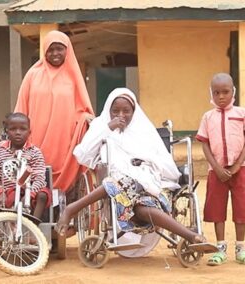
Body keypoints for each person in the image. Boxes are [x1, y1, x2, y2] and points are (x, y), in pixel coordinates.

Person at [55, 88, 215, 252]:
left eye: (126, 111)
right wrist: (108, 128)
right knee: (116, 182)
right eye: (115, 111)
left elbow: (165, 164)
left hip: (148, 183)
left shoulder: (145, 130)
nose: (121, 115)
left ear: (134, 111)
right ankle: (71, 209)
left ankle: (190, 237)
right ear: (108, 110)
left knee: (142, 211)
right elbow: (82, 154)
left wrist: (145, 163)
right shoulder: (100, 127)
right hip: (116, 184)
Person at [14, 30, 94, 193]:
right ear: (44, 51)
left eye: (59, 48)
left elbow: (81, 108)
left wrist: (86, 118)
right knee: (37, 178)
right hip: (36, 139)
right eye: (50, 49)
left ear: (67, 50)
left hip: (64, 140)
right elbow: (22, 107)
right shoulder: (33, 75)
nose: (55, 53)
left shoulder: (73, 76)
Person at [196, 73, 245, 266]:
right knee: (217, 210)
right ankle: (220, 248)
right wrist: (216, 168)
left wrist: (235, 166)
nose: (221, 96)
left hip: (240, 169)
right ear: (211, 93)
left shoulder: (242, 114)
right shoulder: (208, 117)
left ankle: (241, 248)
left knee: (241, 208)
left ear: (233, 91)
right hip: (216, 172)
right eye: (216, 93)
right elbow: (205, 144)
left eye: (225, 92)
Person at [0, 112, 50, 219]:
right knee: (8, 199)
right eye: (13, 129)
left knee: (43, 195)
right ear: (7, 131)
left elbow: (39, 178)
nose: (18, 132)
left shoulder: (35, 152)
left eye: (22, 129)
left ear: (29, 132)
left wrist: (30, 194)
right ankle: (7, 224)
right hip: (7, 190)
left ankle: (33, 225)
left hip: (30, 190)